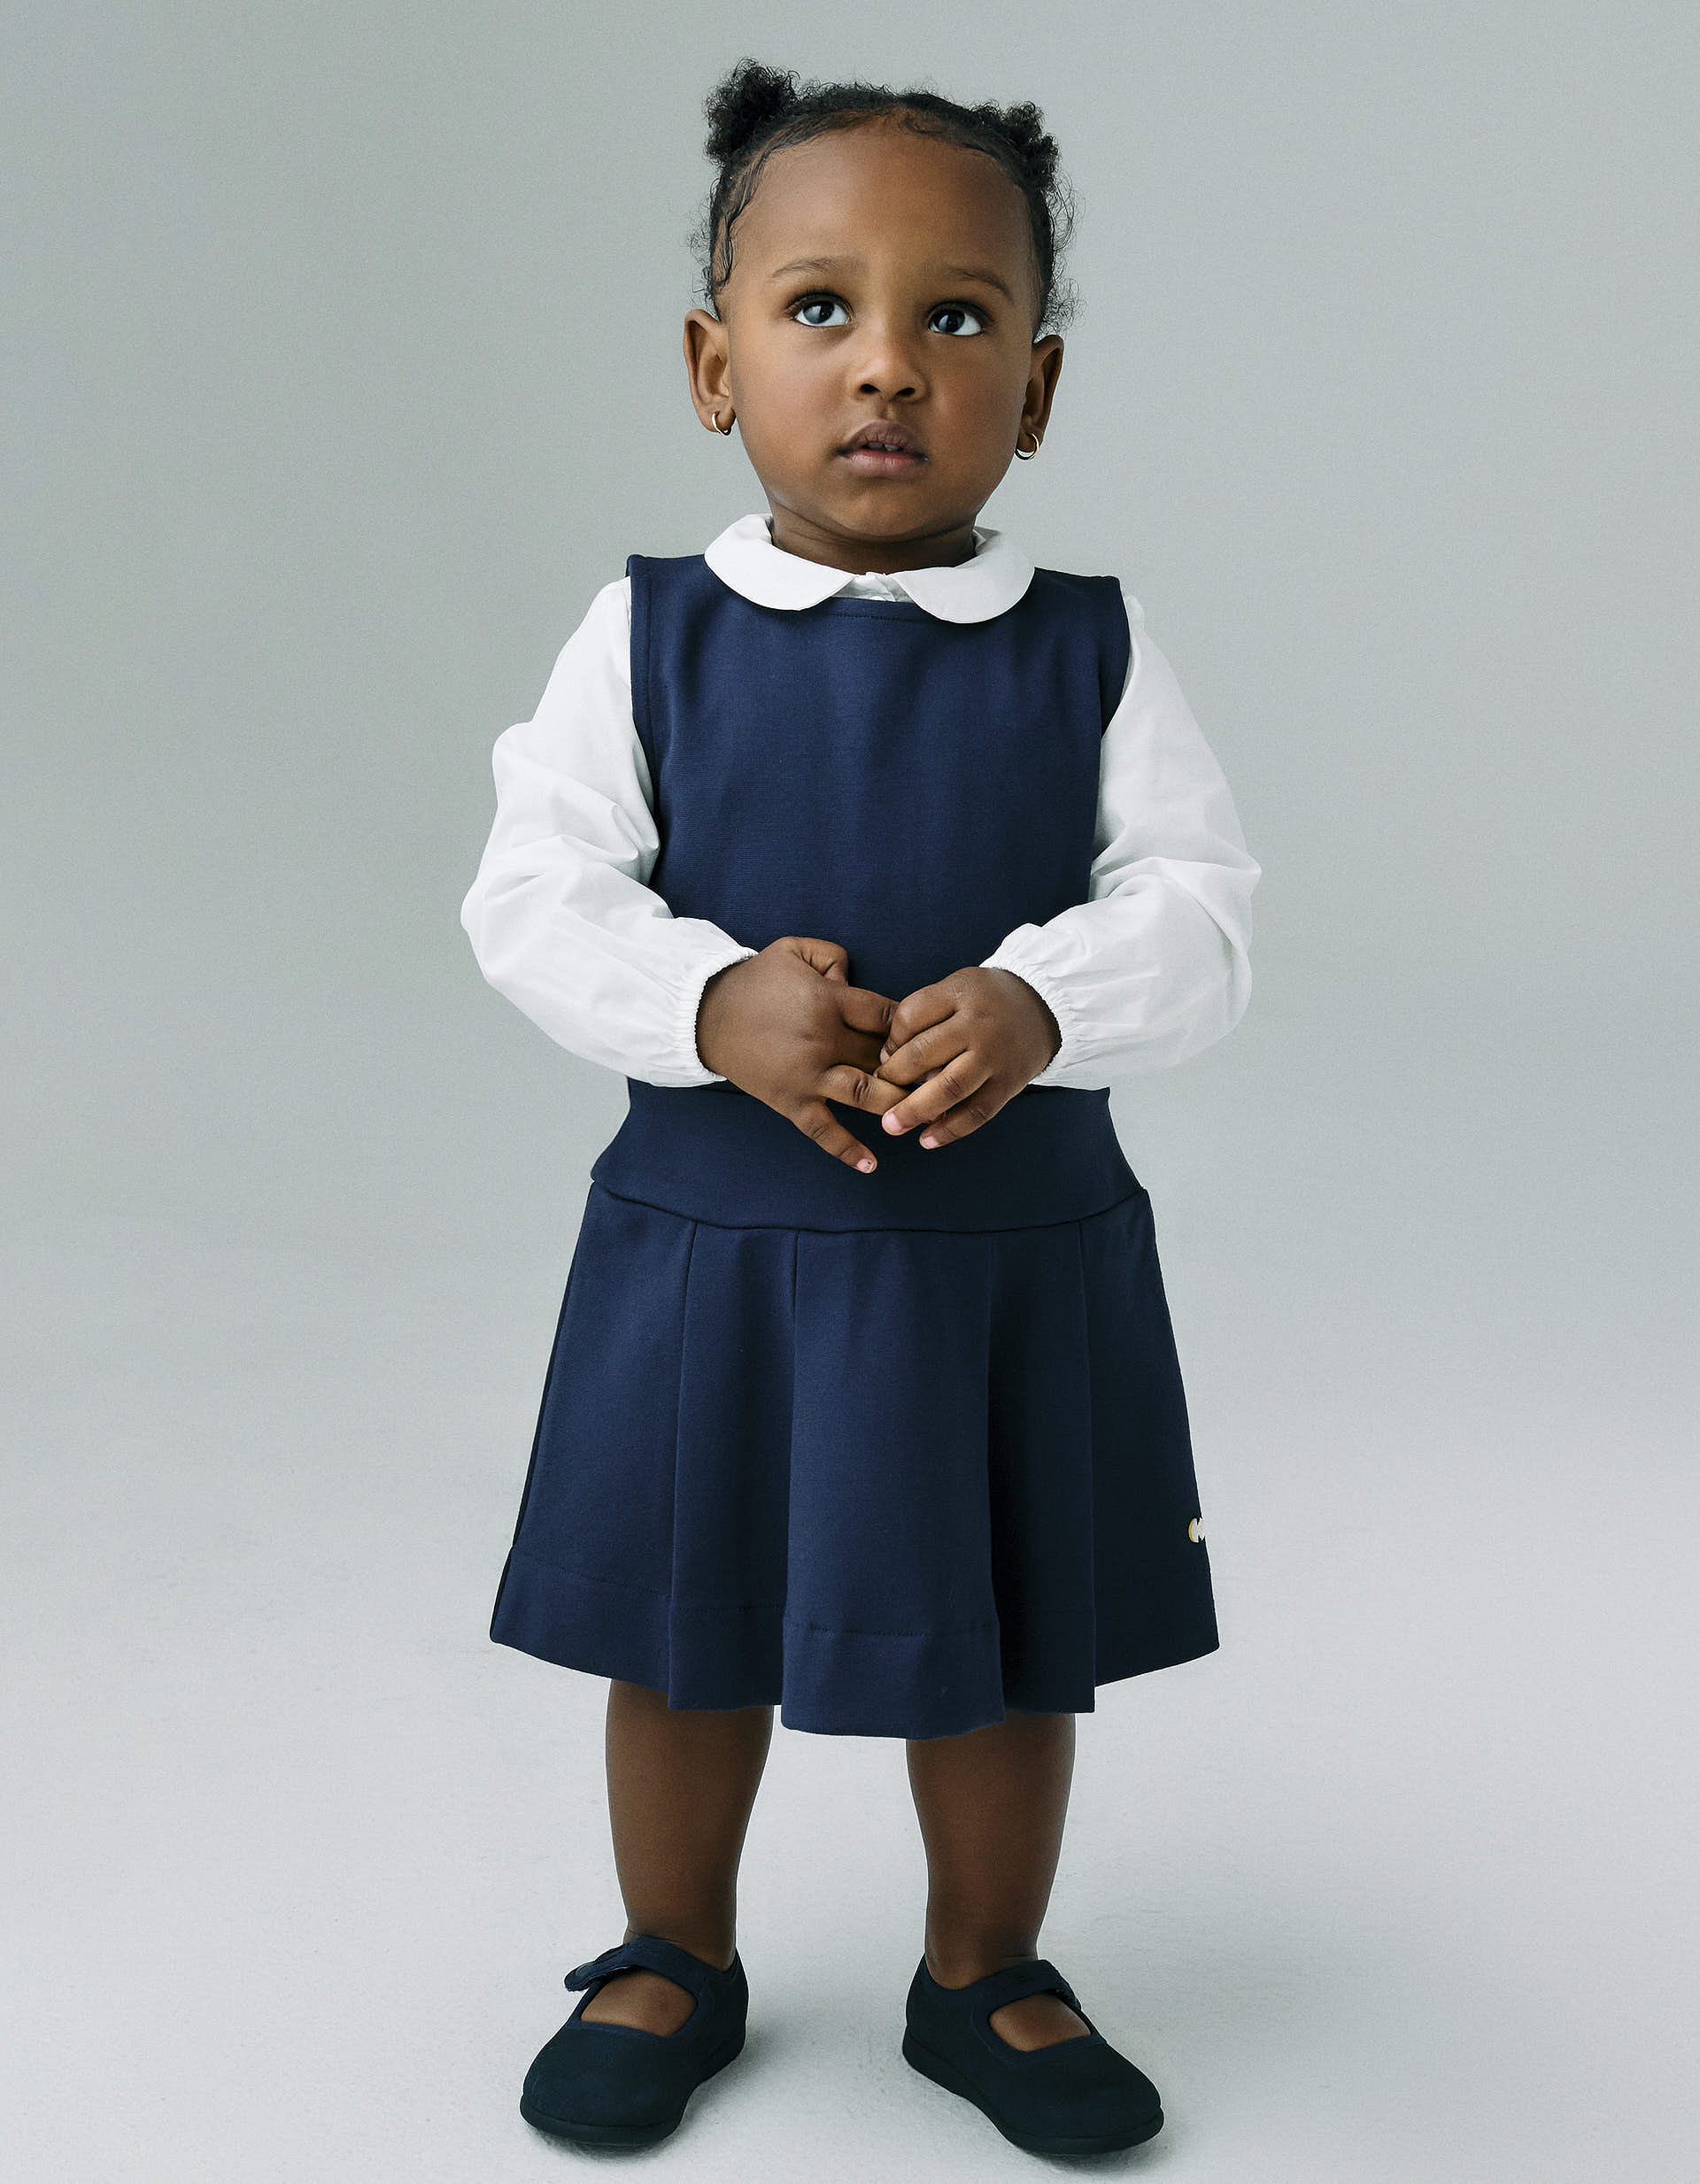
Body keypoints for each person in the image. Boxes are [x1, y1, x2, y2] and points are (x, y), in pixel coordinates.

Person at [459, 57, 1260, 2160]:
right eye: (821, 309)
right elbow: (531, 892)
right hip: (717, 1257)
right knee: (682, 1615)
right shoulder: (646, 636)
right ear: (717, 364)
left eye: (959, 317)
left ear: (1043, 384)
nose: (888, 366)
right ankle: (670, 1947)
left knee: (1007, 1638)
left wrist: (1040, 1000)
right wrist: (710, 997)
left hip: (1005, 1264)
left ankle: (984, 1964)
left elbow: (1202, 906)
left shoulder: (1090, 649)